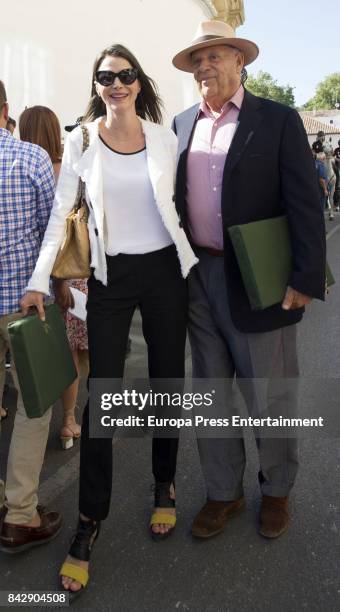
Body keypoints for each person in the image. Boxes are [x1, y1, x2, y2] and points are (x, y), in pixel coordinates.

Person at [21, 44, 197, 597]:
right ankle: (89, 521)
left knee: (168, 383)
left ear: (138, 82)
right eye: (106, 77)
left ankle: (164, 483)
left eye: (124, 76)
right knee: (104, 394)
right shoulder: (79, 141)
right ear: (96, 85)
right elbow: (59, 215)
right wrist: (35, 280)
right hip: (110, 277)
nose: (116, 84)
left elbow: (180, 206)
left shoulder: (166, 137)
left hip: (165, 272)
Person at [172, 21, 326, 540]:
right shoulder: (180, 124)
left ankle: (277, 489)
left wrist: (305, 275)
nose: (204, 68)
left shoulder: (277, 120)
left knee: (272, 394)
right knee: (211, 395)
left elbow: (304, 201)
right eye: (197, 61)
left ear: (241, 62)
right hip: (200, 277)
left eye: (214, 56)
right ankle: (223, 492)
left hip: (261, 279)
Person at [0, 80, 62, 550]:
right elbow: (50, 235)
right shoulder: (30, 157)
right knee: (33, 404)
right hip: (23, 304)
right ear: (4, 110)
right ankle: (20, 513)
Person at [19, 106, 83, 449]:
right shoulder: (67, 170)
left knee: (36, 356)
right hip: (67, 273)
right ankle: (69, 420)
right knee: (68, 350)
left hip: (30, 279)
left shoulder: (22, 161)